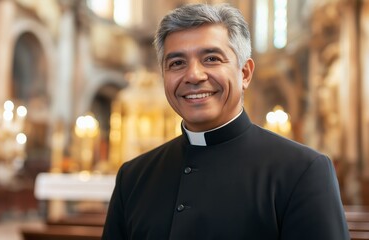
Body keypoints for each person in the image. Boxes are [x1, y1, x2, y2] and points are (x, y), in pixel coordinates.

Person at [102, 3, 349, 240]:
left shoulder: (303, 171)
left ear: (245, 73)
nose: (193, 75)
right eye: (177, 63)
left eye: (211, 59)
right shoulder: (133, 177)